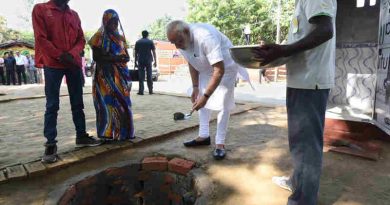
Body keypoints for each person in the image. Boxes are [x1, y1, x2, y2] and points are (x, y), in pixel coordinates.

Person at [252, 0, 337, 204]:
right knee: (300, 142)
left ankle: (303, 200)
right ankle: (297, 181)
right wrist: (280, 51)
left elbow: (325, 30)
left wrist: (283, 50)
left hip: (310, 82)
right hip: (302, 80)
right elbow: (303, 39)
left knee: (306, 146)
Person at [166, 20, 250, 160]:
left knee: (223, 103)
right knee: (200, 97)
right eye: (173, 42)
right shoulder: (182, 42)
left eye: (178, 41)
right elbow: (191, 62)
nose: (177, 46)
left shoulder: (205, 37)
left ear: (187, 32)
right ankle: (203, 136)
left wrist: (205, 97)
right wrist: (195, 87)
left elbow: (219, 70)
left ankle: (220, 143)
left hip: (225, 66)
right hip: (205, 66)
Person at [32, 0, 101, 164]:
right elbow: (41, 38)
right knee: (52, 105)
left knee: (78, 102)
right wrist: (59, 54)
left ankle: (81, 135)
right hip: (52, 64)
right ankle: (50, 144)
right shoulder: (41, 9)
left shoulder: (74, 15)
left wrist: (72, 54)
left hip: (73, 63)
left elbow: (81, 39)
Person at [89, 9, 135, 141]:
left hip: (121, 76)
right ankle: (107, 133)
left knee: (124, 103)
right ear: (105, 21)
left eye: (116, 21)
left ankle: (124, 133)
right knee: (107, 103)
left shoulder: (120, 37)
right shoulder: (98, 37)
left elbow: (127, 56)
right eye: (111, 21)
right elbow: (97, 57)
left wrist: (120, 58)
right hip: (105, 76)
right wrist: (115, 59)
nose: (114, 24)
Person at [134, 30, 157, 95]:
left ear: (142, 34)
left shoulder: (138, 42)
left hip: (140, 60)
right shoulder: (150, 42)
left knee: (141, 76)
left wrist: (135, 62)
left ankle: (141, 91)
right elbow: (154, 52)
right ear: (147, 35)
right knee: (149, 75)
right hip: (148, 60)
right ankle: (150, 91)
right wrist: (155, 61)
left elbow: (136, 53)